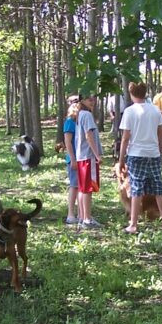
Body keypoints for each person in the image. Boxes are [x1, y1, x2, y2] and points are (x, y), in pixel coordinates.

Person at [119, 81, 162, 234]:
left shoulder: (129, 112)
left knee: (136, 190)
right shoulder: (155, 110)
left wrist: (122, 158)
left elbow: (125, 137)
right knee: (158, 189)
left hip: (136, 155)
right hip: (153, 154)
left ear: (131, 94)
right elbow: (160, 131)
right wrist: (159, 149)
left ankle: (133, 224)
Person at [74, 91, 103, 228]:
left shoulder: (80, 114)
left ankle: (82, 216)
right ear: (82, 101)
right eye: (88, 98)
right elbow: (88, 136)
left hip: (81, 156)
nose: (92, 100)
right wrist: (97, 155)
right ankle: (87, 219)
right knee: (87, 188)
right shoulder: (87, 115)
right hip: (87, 156)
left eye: (93, 98)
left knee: (82, 188)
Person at [62, 94, 81, 225]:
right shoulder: (69, 122)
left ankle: (81, 213)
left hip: (82, 158)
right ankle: (70, 214)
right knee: (74, 186)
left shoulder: (79, 121)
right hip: (73, 159)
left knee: (81, 186)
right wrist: (72, 159)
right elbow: (68, 142)